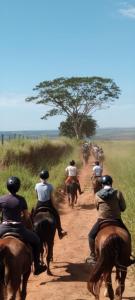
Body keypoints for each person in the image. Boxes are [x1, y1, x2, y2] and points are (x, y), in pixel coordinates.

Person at [0, 176, 47, 275]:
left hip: (3, 228)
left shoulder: (2, 199)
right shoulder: (21, 199)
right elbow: (26, 217)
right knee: (37, 240)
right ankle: (37, 266)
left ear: (7, 187)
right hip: (19, 229)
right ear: (18, 187)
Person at [87, 175, 131, 263]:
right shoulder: (118, 193)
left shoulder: (97, 195)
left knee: (91, 236)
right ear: (111, 183)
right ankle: (128, 256)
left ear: (102, 184)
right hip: (116, 220)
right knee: (128, 235)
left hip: (102, 220)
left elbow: (97, 207)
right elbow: (123, 207)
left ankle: (93, 255)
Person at [35, 170, 67, 239]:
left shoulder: (37, 185)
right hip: (48, 203)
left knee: (33, 215)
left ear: (40, 177)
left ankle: (32, 231)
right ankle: (60, 231)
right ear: (47, 177)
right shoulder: (50, 186)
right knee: (56, 215)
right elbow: (51, 198)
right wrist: (54, 206)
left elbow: (37, 196)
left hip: (39, 203)